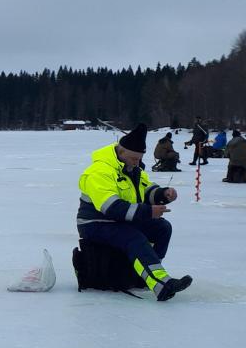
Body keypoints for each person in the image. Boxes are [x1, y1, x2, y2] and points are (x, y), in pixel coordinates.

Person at [76, 124, 193, 301]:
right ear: (121, 152)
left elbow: (145, 191)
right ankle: (161, 284)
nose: (137, 163)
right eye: (134, 159)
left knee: (162, 228)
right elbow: (112, 208)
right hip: (95, 224)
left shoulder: (132, 168)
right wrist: (148, 211)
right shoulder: (99, 172)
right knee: (133, 237)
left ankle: (145, 276)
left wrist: (163, 194)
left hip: (119, 220)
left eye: (139, 159)